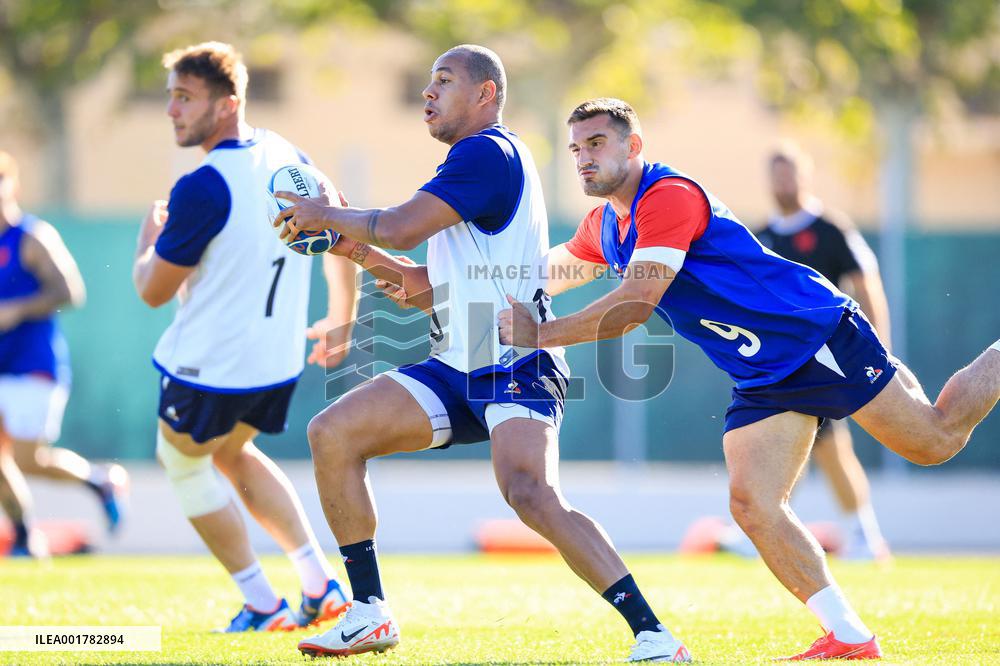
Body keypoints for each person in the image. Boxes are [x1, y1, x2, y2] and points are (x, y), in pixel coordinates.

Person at [497, 97, 1000, 660]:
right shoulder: (604, 225)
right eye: (575, 149)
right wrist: (428, 278)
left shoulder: (666, 197)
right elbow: (535, 274)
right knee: (752, 503)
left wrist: (539, 334)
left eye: (596, 144)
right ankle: (851, 637)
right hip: (761, 373)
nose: (584, 159)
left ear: (633, 146)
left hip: (813, 339)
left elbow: (635, 304)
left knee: (934, 440)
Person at [273, 46, 690, 662]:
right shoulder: (468, 169)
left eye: (443, 81)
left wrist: (323, 212)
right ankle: (368, 613)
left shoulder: (485, 153)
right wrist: (343, 245)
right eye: (427, 82)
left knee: (528, 493)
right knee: (333, 433)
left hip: (519, 362)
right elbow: (424, 289)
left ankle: (654, 634)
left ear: (486, 94)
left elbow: (398, 227)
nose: (428, 93)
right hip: (457, 365)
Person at [132, 42, 358, 632]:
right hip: (275, 364)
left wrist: (146, 241)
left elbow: (152, 291)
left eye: (185, 97)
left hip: (210, 367)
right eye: (170, 97)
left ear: (227, 104)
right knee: (232, 454)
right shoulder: (289, 154)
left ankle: (261, 602)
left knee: (181, 464)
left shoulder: (203, 186)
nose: (172, 111)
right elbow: (342, 224)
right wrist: (342, 317)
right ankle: (320, 585)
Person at [751, 142, 891, 561]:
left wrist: (879, 344)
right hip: (781, 360)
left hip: (830, 353)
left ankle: (863, 534)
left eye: (790, 173)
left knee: (830, 443)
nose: (783, 182)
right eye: (776, 174)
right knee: (775, 438)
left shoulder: (831, 228)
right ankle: (767, 523)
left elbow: (866, 283)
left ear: (805, 176)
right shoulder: (763, 236)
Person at [0, 150, 127, 557]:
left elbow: (70, 291)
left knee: (29, 459)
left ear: (12, 186)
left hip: (33, 366)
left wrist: (16, 309)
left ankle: (98, 481)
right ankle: (23, 536)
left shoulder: (31, 237)